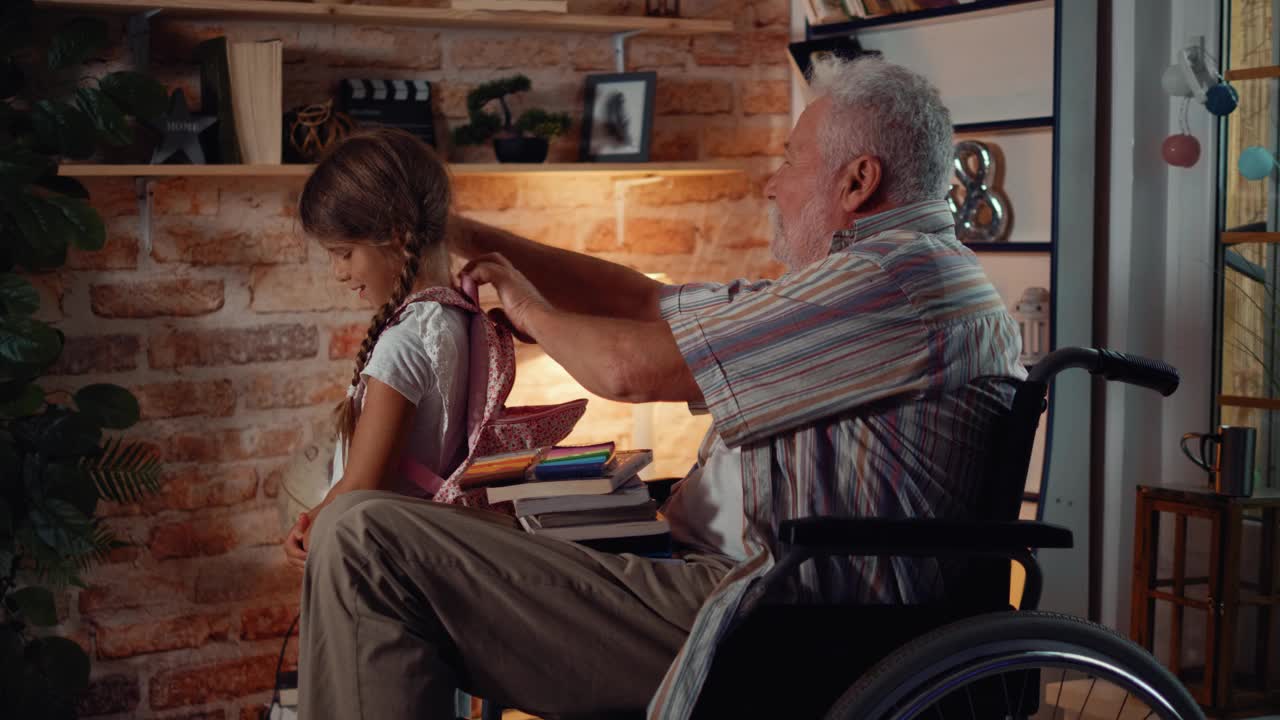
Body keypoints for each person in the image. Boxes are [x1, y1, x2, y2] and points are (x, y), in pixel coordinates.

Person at [295, 55, 1026, 720]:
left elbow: (625, 369)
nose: (773, 182)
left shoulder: (891, 287)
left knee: (363, 537)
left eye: (790, 159)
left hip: (764, 622)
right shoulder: (872, 281)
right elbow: (645, 304)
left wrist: (527, 311)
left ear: (858, 181)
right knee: (394, 543)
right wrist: (455, 231)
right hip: (713, 582)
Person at [281, 128, 470, 570]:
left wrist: (309, 529)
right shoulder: (454, 316)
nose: (338, 272)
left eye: (344, 253)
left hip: (381, 565)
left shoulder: (403, 343)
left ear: (398, 236)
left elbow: (364, 484)